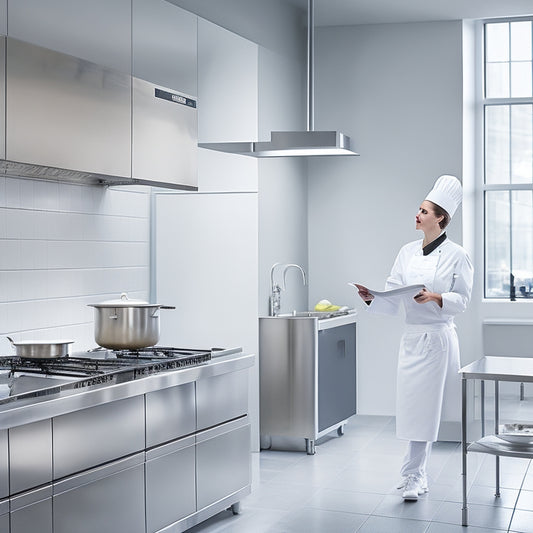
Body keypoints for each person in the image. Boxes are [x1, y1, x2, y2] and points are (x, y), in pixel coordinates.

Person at [355, 174, 474, 501]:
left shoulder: (457, 255)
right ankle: (412, 473)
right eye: (418, 209)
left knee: (424, 409)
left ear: (441, 218)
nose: (417, 215)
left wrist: (436, 297)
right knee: (410, 408)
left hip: (437, 339)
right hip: (411, 339)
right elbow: (393, 296)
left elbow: (463, 300)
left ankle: (415, 476)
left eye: (424, 211)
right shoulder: (407, 252)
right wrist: (371, 297)